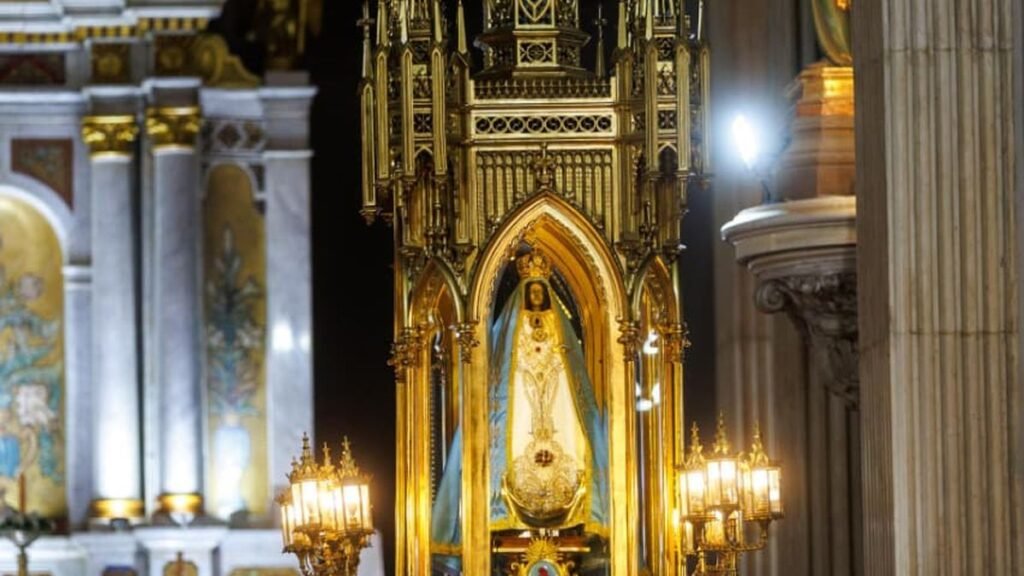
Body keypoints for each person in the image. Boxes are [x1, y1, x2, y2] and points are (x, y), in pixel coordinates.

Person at [431, 249, 609, 558]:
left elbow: (574, 382)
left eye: (541, 292)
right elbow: (500, 380)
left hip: (554, 405)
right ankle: (505, 518)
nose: (537, 298)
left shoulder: (559, 336)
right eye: (533, 292)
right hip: (520, 406)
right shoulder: (510, 336)